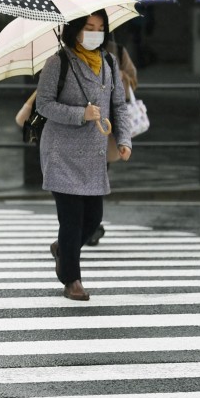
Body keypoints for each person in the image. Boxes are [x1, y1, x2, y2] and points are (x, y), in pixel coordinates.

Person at [36, 10, 132, 301]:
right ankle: (72, 280)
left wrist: (124, 138)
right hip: (61, 152)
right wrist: (82, 114)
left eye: (100, 27)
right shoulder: (58, 62)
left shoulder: (109, 62)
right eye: (89, 26)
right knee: (72, 219)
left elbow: (119, 104)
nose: (95, 32)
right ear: (75, 29)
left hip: (93, 153)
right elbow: (43, 105)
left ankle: (63, 249)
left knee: (93, 218)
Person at [87, 32, 139, 246]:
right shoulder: (71, 53)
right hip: (78, 129)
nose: (94, 31)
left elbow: (132, 84)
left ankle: (90, 225)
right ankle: (87, 226)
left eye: (99, 26)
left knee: (97, 177)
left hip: (105, 128)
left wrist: (119, 76)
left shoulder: (116, 52)